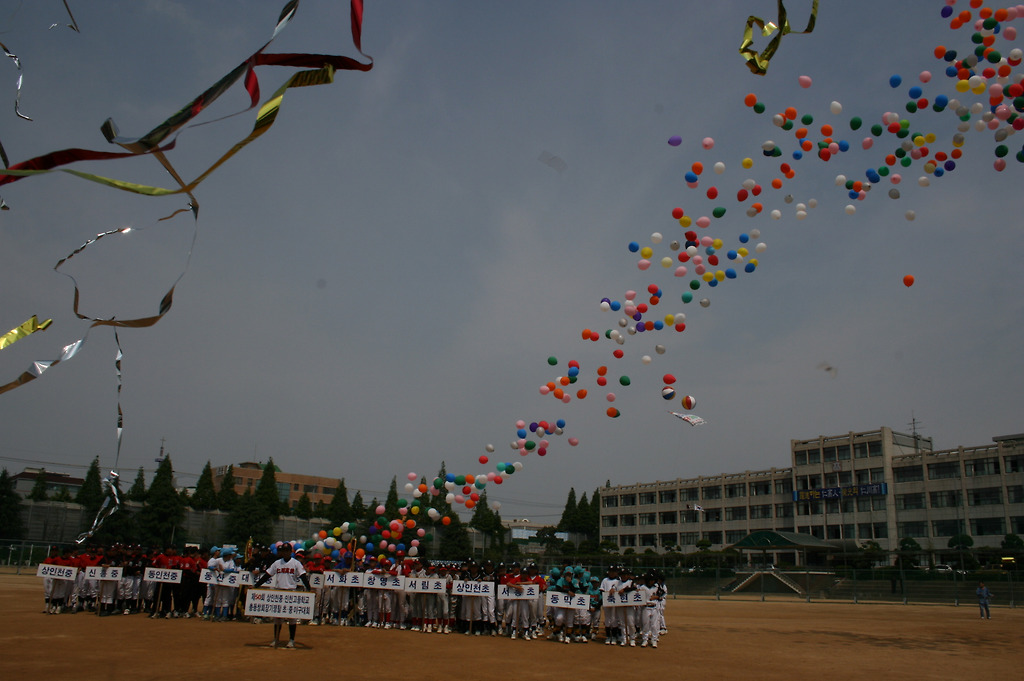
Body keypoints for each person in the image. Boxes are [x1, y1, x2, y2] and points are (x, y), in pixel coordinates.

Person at [253, 543, 311, 648]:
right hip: (279, 591)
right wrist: (256, 585)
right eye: (283, 551)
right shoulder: (277, 563)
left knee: (291, 618)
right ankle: (276, 639)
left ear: (290, 552)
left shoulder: (296, 563)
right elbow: (267, 575)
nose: (285, 552)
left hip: (290, 591)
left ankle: (291, 640)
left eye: (287, 551)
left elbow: (303, 576)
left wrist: (309, 588)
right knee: (277, 618)